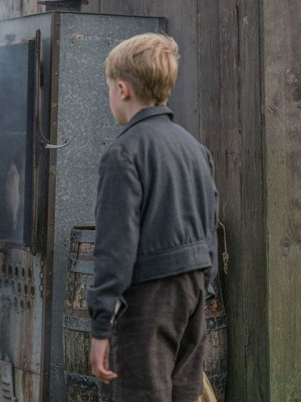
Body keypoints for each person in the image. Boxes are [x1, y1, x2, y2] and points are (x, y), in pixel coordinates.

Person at [87, 33, 218, 401]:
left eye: (109, 87)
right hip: (192, 298)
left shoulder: (124, 153)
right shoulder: (196, 150)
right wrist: (200, 292)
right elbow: (209, 233)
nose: (110, 95)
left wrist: (100, 328)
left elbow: (114, 249)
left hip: (147, 302)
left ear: (123, 89)